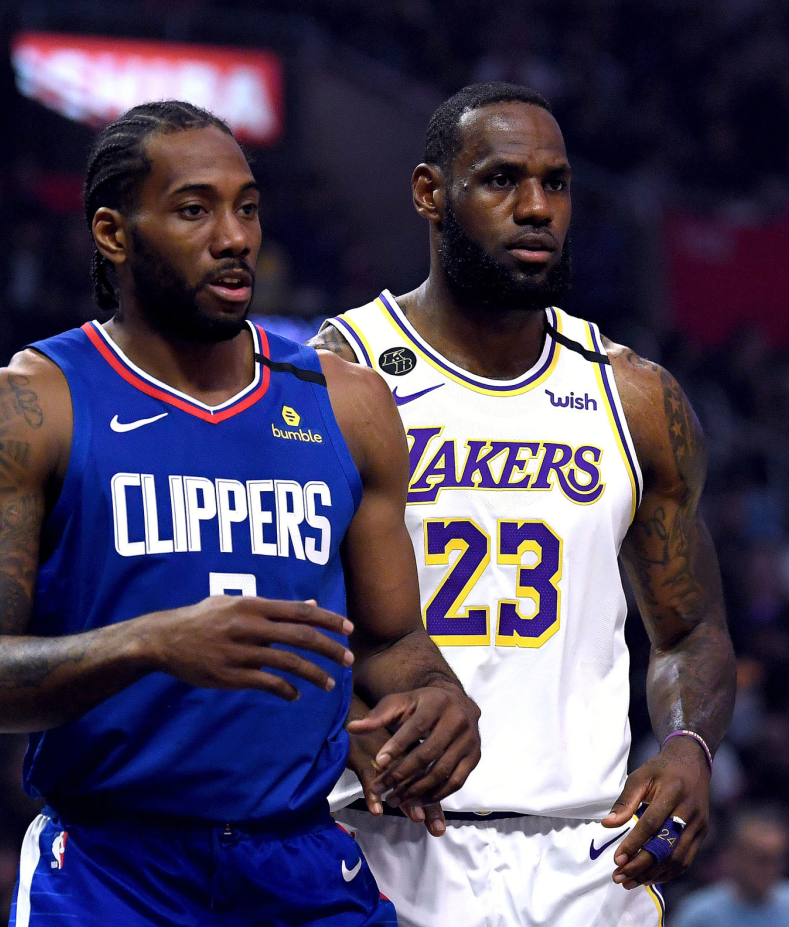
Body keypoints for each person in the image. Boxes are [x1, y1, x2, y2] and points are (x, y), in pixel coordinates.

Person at [0, 100, 481, 926]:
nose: (235, 237)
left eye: (247, 207)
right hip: (112, 865)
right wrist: (152, 641)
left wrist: (439, 693)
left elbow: (393, 639)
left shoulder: (348, 402)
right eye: (195, 209)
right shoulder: (27, 405)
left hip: (302, 859)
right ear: (113, 234)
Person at [311, 82, 737, 926]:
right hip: (386, 836)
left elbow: (691, 632)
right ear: (431, 194)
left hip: (587, 852)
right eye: (502, 180)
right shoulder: (339, 375)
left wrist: (689, 746)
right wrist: (339, 728)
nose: (536, 207)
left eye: (556, 183)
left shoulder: (636, 396)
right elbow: (261, 599)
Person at [671, 812, 789, 927]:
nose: (771, 870)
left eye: (777, 860)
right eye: (761, 860)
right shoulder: (700, 916)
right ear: (733, 858)